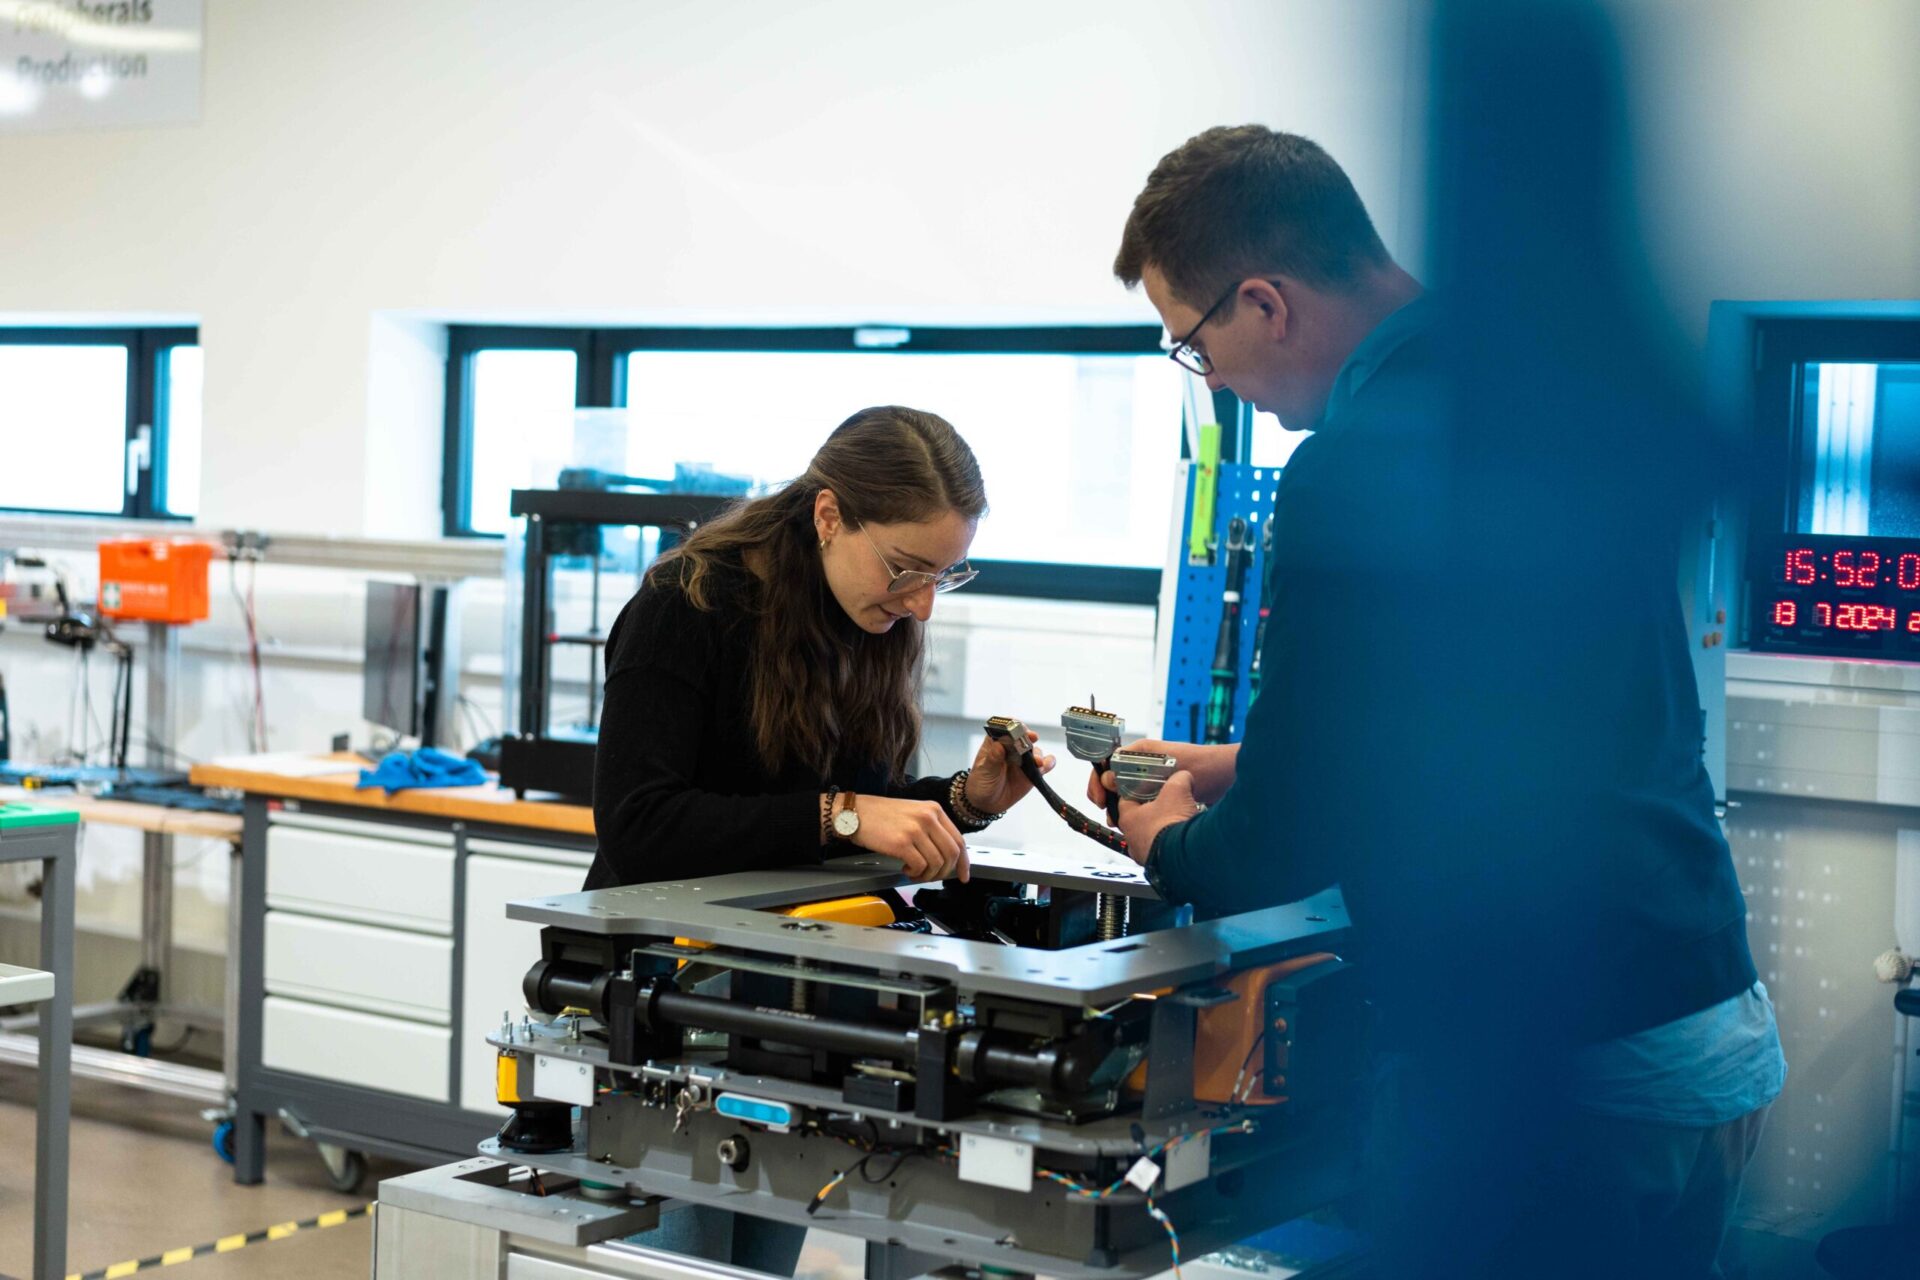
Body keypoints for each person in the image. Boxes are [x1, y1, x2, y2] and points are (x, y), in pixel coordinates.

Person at [1091, 124, 1784, 1278]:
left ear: (1263, 302)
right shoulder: (1542, 393)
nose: (1208, 380)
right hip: (1701, 1023)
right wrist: (1237, 759)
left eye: (1191, 345)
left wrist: (1170, 839)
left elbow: (1283, 845)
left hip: (1561, 1081)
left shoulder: (1360, 461)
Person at [583, 404, 1054, 1271]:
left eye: (944, 577)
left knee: (758, 1257)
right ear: (829, 515)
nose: (920, 604)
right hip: (667, 993)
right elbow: (641, 826)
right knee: (680, 1260)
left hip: (786, 992)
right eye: (907, 568)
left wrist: (963, 799)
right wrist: (842, 812)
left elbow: (849, 813)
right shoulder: (682, 607)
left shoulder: (867, 623)